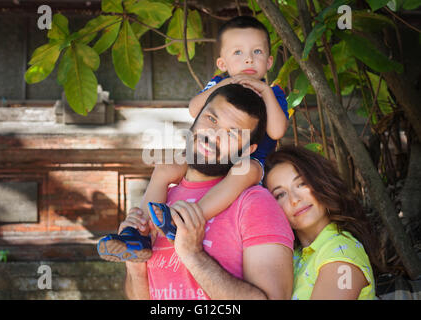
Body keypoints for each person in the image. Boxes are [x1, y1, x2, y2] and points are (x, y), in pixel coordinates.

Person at [97, 15, 289, 262]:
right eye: (238, 52)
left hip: (250, 160)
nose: (249, 58)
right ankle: (138, 234)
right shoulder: (218, 83)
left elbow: (276, 131)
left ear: (269, 61)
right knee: (166, 167)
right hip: (211, 155)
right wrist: (226, 83)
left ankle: (185, 219)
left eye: (257, 51)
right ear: (222, 62)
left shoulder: (273, 93)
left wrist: (264, 91)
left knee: (245, 169)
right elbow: (194, 108)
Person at [123, 84, 294, 299]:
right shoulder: (163, 198)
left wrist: (193, 255)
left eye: (232, 133)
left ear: (248, 150)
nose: (213, 135)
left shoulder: (255, 204)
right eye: (211, 119)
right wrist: (136, 269)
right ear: (196, 117)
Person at [264, 145, 380, 300]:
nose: (294, 199)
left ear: (321, 182)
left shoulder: (341, 252)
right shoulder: (292, 256)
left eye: (301, 184)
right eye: (280, 195)